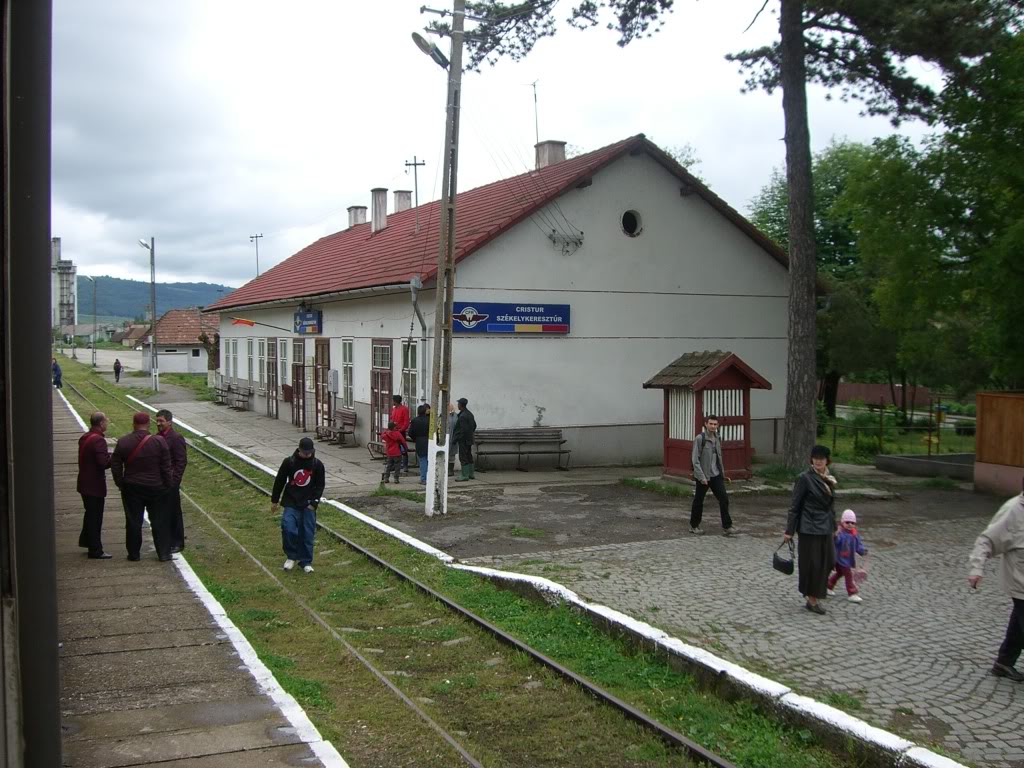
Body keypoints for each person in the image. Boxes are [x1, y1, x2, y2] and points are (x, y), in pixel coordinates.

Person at [968, 478, 1024, 682]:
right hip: (1020, 581)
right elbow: (986, 540)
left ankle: (1004, 662)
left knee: (1019, 626)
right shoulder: (1013, 511)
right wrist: (976, 568)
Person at [111, 412, 174, 562]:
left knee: (133, 521)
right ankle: (163, 553)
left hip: (132, 487)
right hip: (156, 487)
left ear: (133, 424)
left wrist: (121, 482)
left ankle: (134, 554)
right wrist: (167, 485)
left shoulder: (123, 442)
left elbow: (115, 465)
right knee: (159, 521)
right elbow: (166, 467)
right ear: (149, 424)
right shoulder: (159, 442)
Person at [783, 444, 838, 615]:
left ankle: (817, 592)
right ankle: (812, 599)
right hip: (809, 526)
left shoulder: (829, 478)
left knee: (829, 561)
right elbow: (795, 505)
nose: (819, 461)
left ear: (827, 460)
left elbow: (831, 506)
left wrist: (835, 526)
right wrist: (789, 530)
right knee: (812, 564)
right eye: (816, 458)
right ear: (811, 460)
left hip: (826, 526)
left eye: (822, 458)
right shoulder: (804, 478)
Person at [271, 437, 325, 574]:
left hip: (308, 504)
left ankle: (306, 561)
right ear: (299, 450)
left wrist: (314, 503)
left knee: (307, 533)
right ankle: (291, 556)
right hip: (291, 502)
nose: (307, 455)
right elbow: (280, 481)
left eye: (309, 452)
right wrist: (274, 500)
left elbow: (320, 485)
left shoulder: (317, 465)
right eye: (305, 452)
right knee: (288, 528)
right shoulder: (289, 462)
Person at [689, 414, 736, 535]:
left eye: (715, 424)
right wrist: (701, 476)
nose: (713, 426)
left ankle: (727, 526)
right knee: (699, 501)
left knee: (724, 498)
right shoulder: (700, 438)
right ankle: (694, 526)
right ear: (706, 424)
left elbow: (719, 458)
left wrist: (722, 473)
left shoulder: (717, 438)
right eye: (711, 424)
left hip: (716, 475)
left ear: (717, 425)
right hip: (704, 476)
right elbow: (695, 460)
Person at [77, 411, 112, 559]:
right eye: (106, 420)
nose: (108, 422)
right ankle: (95, 550)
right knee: (95, 517)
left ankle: (87, 541)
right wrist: (115, 457)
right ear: (101, 423)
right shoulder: (98, 440)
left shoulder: (85, 437)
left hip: (84, 482)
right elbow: (103, 463)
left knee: (90, 514)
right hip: (94, 485)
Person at [156, 409, 188, 552]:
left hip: (171, 482)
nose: (158, 424)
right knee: (162, 511)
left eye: (161, 421)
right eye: (157, 421)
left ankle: (177, 542)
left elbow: (181, 462)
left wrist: (174, 481)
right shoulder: (157, 437)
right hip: (159, 482)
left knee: (174, 511)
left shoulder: (176, 438)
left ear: (169, 422)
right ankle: (166, 539)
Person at [828, 509, 867, 603]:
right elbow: (836, 542)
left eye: (852, 523)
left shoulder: (854, 534)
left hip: (848, 559)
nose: (850, 524)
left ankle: (828, 585)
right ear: (842, 522)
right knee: (848, 575)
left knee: (839, 573)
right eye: (847, 522)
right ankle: (852, 593)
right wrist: (836, 536)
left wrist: (862, 551)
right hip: (840, 559)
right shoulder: (840, 532)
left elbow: (858, 545)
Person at [452, 397, 477, 482]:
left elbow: (462, 430)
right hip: (469, 439)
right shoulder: (470, 414)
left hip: (463, 440)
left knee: (463, 457)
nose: (457, 405)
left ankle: (464, 475)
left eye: (458, 404)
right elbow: (474, 426)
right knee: (469, 455)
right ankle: (471, 474)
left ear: (461, 405)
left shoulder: (462, 416)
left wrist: (459, 438)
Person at [408, 403, 431, 484]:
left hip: (419, 442)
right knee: (429, 460)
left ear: (418, 412)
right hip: (429, 441)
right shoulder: (430, 420)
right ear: (425, 412)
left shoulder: (414, 421)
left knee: (422, 460)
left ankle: (424, 479)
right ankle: (430, 477)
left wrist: (415, 438)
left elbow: (410, 433)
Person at [390, 394, 411, 471]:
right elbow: (392, 418)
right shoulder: (394, 409)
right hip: (394, 431)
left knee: (403, 448)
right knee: (394, 448)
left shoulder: (404, 409)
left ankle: (405, 465)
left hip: (400, 432)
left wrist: (401, 429)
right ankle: (394, 464)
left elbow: (406, 421)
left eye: (393, 400)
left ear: (395, 401)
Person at [447, 402, 458, 477]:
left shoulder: (456, 416)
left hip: (454, 438)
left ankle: (450, 470)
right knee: (446, 454)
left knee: (452, 455)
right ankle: (447, 469)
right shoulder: (444, 415)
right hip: (446, 438)